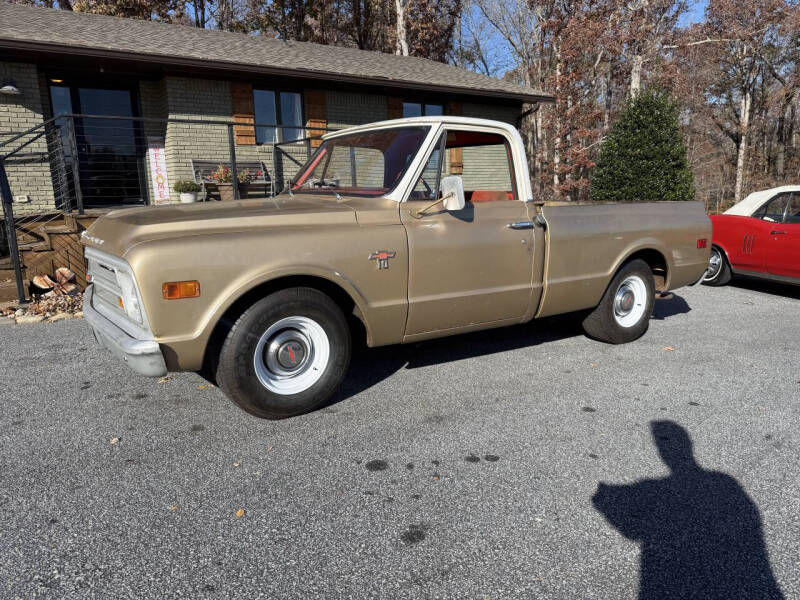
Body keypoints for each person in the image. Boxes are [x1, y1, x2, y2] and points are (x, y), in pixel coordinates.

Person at [592, 420, 783, 599]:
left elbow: (632, 531)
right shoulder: (724, 482)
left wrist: (605, 500)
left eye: (661, 444)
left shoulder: (722, 482)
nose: (663, 450)